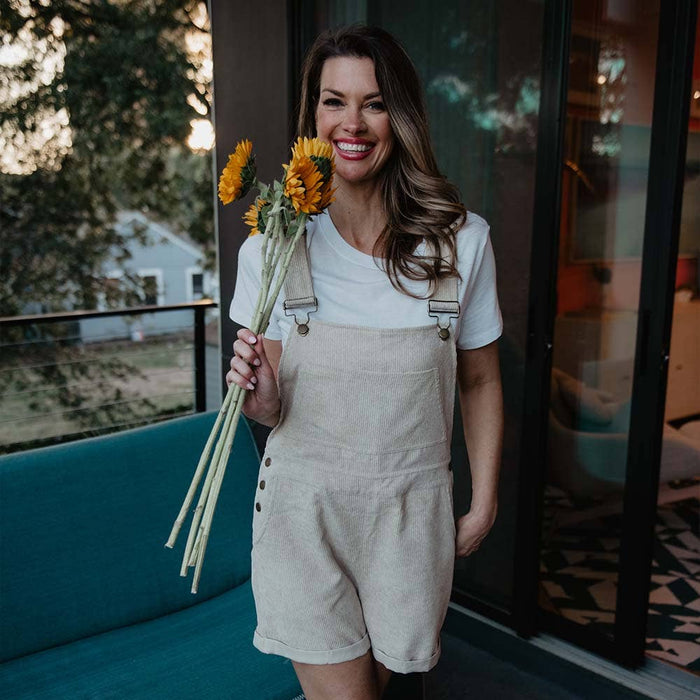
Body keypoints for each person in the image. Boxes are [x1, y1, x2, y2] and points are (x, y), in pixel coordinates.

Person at [227, 25, 504, 700]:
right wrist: (255, 393)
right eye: (333, 101)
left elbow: (481, 377)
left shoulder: (462, 243)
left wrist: (486, 497)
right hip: (302, 512)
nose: (351, 123)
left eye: (374, 103)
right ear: (312, 116)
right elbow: (269, 411)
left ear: (402, 117)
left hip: (410, 520)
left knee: (378, 686)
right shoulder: (273, 245)